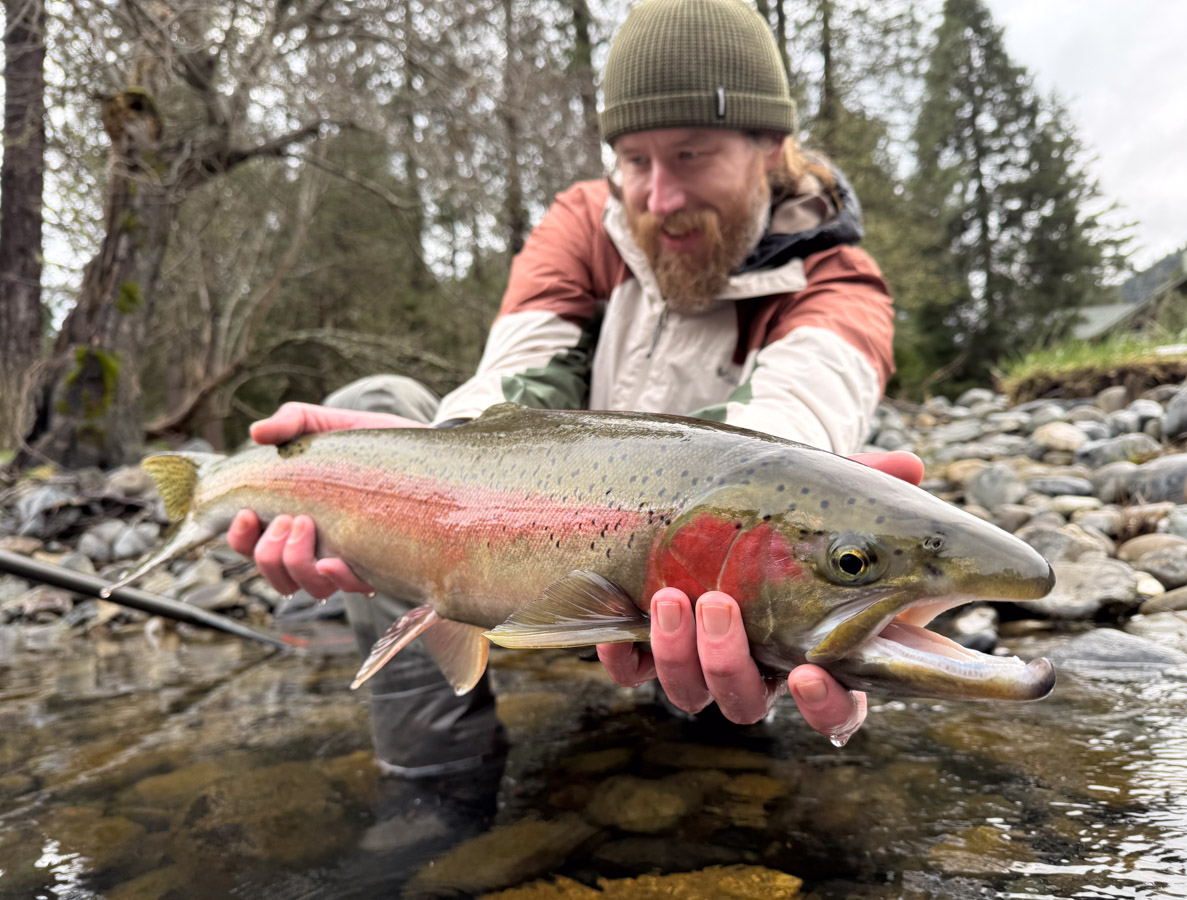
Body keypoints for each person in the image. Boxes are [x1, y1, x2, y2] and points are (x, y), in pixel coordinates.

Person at [227, 0, 923, 776]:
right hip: (523, 539)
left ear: (772, 149)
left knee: (719, 700)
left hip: (677, 605)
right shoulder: (585, 224)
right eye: (633, 160)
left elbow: (791, 431)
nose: (659, 196)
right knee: (385, 407)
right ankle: (435, 781)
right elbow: (515, 386)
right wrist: (393, 490)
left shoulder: (839, 286)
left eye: (692, 154)